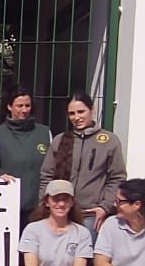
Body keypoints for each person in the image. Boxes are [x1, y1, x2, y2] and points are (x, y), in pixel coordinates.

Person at [38, 91, 125, 239]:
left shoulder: (110, 141)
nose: (76, 118)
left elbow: (117, 177)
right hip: (61, 212)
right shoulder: (60, 140)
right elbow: (47, 176)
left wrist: (105, 207)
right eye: (72, 114)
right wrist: (44, 206)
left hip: (91, 214)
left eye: (81, 112)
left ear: (92, 110)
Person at [0, 84, 52, 230]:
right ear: (9, 106)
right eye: (19, 106)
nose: (24, 110)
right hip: (9, 210)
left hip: (39, 209)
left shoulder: (45, 133)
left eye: (27, 105)